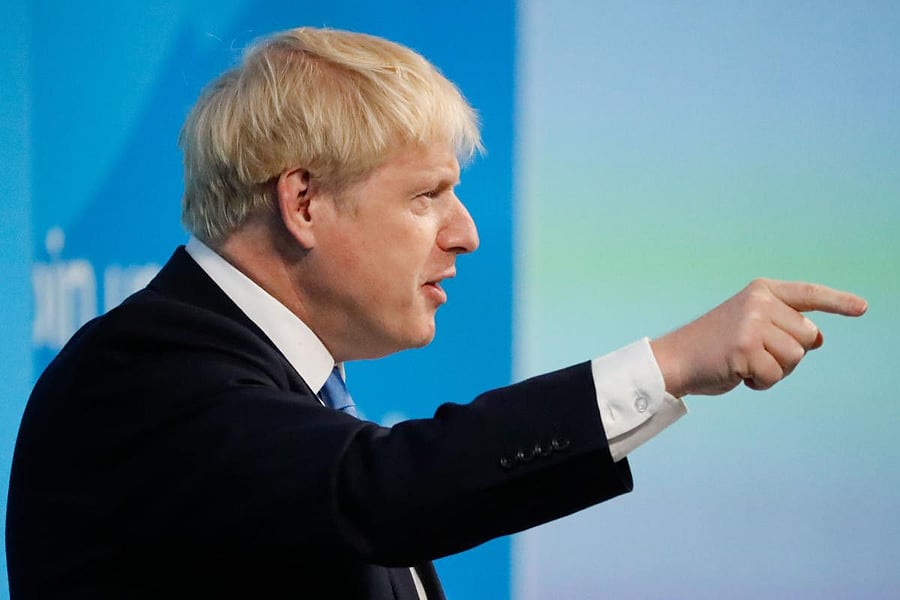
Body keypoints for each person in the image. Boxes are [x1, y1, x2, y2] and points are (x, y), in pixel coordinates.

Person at [5, 27, 866, 599]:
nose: (466, 234)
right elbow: (380, 490)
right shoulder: (142, 376)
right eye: (429, 195)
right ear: (303, 202)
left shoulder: (275, 390)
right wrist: (670, 366)